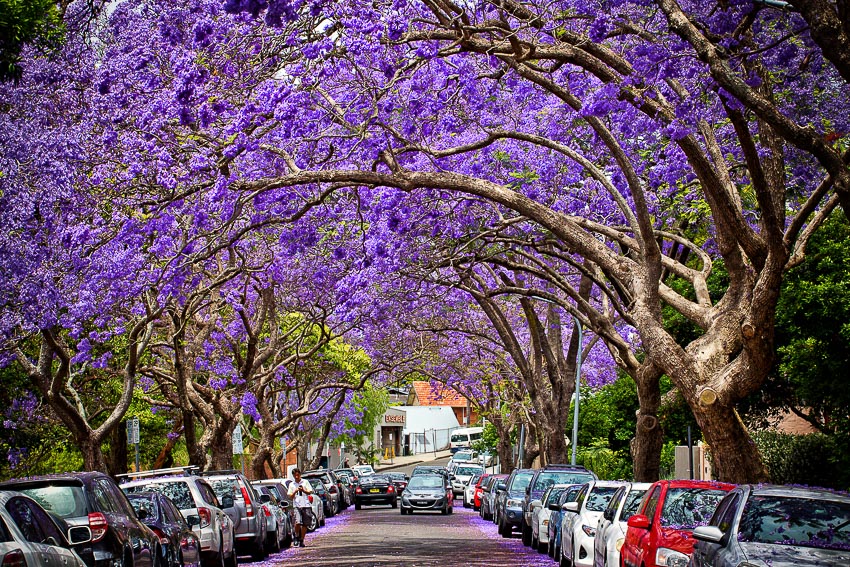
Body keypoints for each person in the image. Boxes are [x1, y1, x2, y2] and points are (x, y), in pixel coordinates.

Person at [287, 468, 314, 547]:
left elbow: (310, 492)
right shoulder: (291, 485)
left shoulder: (305, 482)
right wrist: (295, 491)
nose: (296, 477)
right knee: (297, 522)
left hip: (306, 505)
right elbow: (290, 497)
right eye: (295, 475)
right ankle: (296, 536)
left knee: (305, 524)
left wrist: (303, 490)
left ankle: (301, 539)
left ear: (300, 474)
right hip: (297, 505)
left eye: (298, 475)